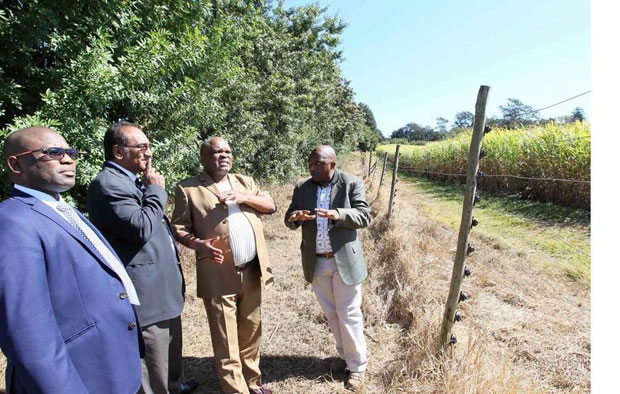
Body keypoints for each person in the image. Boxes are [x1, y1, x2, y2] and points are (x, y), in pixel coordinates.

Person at [0, 127, 142, 394]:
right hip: (77, 379)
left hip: (108, 371)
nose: (68, 159)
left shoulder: (61, 209)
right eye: (54, 153)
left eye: (70, 152)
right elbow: (29, 336)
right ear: (16, 164)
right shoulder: (12, 224)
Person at [86, 122, 197, 394]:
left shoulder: (131, 181)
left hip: (161, 287)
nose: (149, 153)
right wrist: (157, 191)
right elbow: (141, 228)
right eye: (142, 147)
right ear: (118, 152)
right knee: (152, 359)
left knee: (169, 349)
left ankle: (174, 386)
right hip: (144, 293)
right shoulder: (108, 184)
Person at [171, 137, 275, 394]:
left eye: (227, 151)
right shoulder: (189, 188)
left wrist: (243, 196)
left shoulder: (245, 182)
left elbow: (270, 206)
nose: (224, 156)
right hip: (217, 271)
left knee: (251, 331)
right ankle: (235, 390)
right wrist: (199, 245)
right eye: (217, 152)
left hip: (251, 268)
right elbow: (178, 228)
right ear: (203, 157)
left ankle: (252, 383)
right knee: (226, 338)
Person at [284, 145, 370, 392]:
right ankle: (344, 356)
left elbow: (364, 216)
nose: (312, 167)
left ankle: (357, 368)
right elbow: (289, 218)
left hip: (343, 260)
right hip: (316, 260)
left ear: (332, 164)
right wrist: (296, 217)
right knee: (331, 313)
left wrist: (337, 214)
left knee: (349, 313)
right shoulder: (302, 187)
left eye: (318, 163)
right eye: (310, 162)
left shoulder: (351, 183)